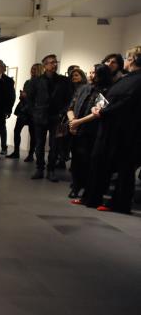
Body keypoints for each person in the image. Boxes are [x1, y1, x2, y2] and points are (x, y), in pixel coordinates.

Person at [75, 47, 141, 213]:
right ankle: (91, 197)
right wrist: (99, 108)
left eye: (126, 58)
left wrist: (102, 111)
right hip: (109, 128)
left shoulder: (137, 80)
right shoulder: (125, 79)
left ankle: (119, 204)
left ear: (132, 60)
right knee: (98, 162)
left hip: (125, 132)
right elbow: (111, 97)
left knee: (124, 168)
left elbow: (126, 102)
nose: (124, 61)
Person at [66, 64, 112, 199]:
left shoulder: (106, 90)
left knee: (88, 161)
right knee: (75, 161)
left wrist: (77, 123)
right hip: (76, 130)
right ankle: (76, 185)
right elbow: (71, 107)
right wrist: (72, 122)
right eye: (90, 72)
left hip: (92, 131)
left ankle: (85, 187)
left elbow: (98, 112)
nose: (91, 75)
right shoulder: (83, 88)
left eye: (94, 73)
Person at [25, 54, 72, 182]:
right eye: (51, 62)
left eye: (55, 62)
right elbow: (29, 99)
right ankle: (39, 168)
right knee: (39, 144)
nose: (54, 64)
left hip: (56, 118)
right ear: (45, 65)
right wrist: (34, 112)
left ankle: (51, 170)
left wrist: (63, 112)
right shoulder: (36, 81)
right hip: (40, 117)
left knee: (54, 145)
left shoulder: (64, 81)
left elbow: (69, 99)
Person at [7, 63, 40, 161]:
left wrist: (27, 96)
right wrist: (22, 96)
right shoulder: (27, 82)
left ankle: (30, 155)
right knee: (17, 131)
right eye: (32, 69)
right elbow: (24, 96)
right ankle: (16, 152)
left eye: (34, 69)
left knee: (32, 134)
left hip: (33, 112)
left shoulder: (41, 83)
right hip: (24, 110)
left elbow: (39, 98)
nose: (32, 71)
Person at [0, 59, 16, 157]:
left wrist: (8, 110)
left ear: (2, 67)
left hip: (1, 109)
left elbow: (11, 96)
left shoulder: (9, 81)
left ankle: (3, 147)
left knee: (1, 128)